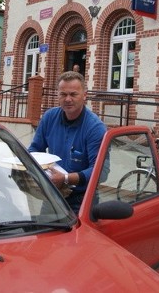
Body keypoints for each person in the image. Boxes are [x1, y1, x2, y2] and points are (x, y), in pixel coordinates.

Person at [28, 71, 106, 213]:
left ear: (84, 95)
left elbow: (101, 171)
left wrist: (65, 178)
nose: (68, 99)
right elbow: (34, 150)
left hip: (82, 201)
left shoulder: (95, 127)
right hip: (53, 195)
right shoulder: (49, 117)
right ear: (57, 95)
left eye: (73, 94)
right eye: (63, 94)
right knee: (43, 235)